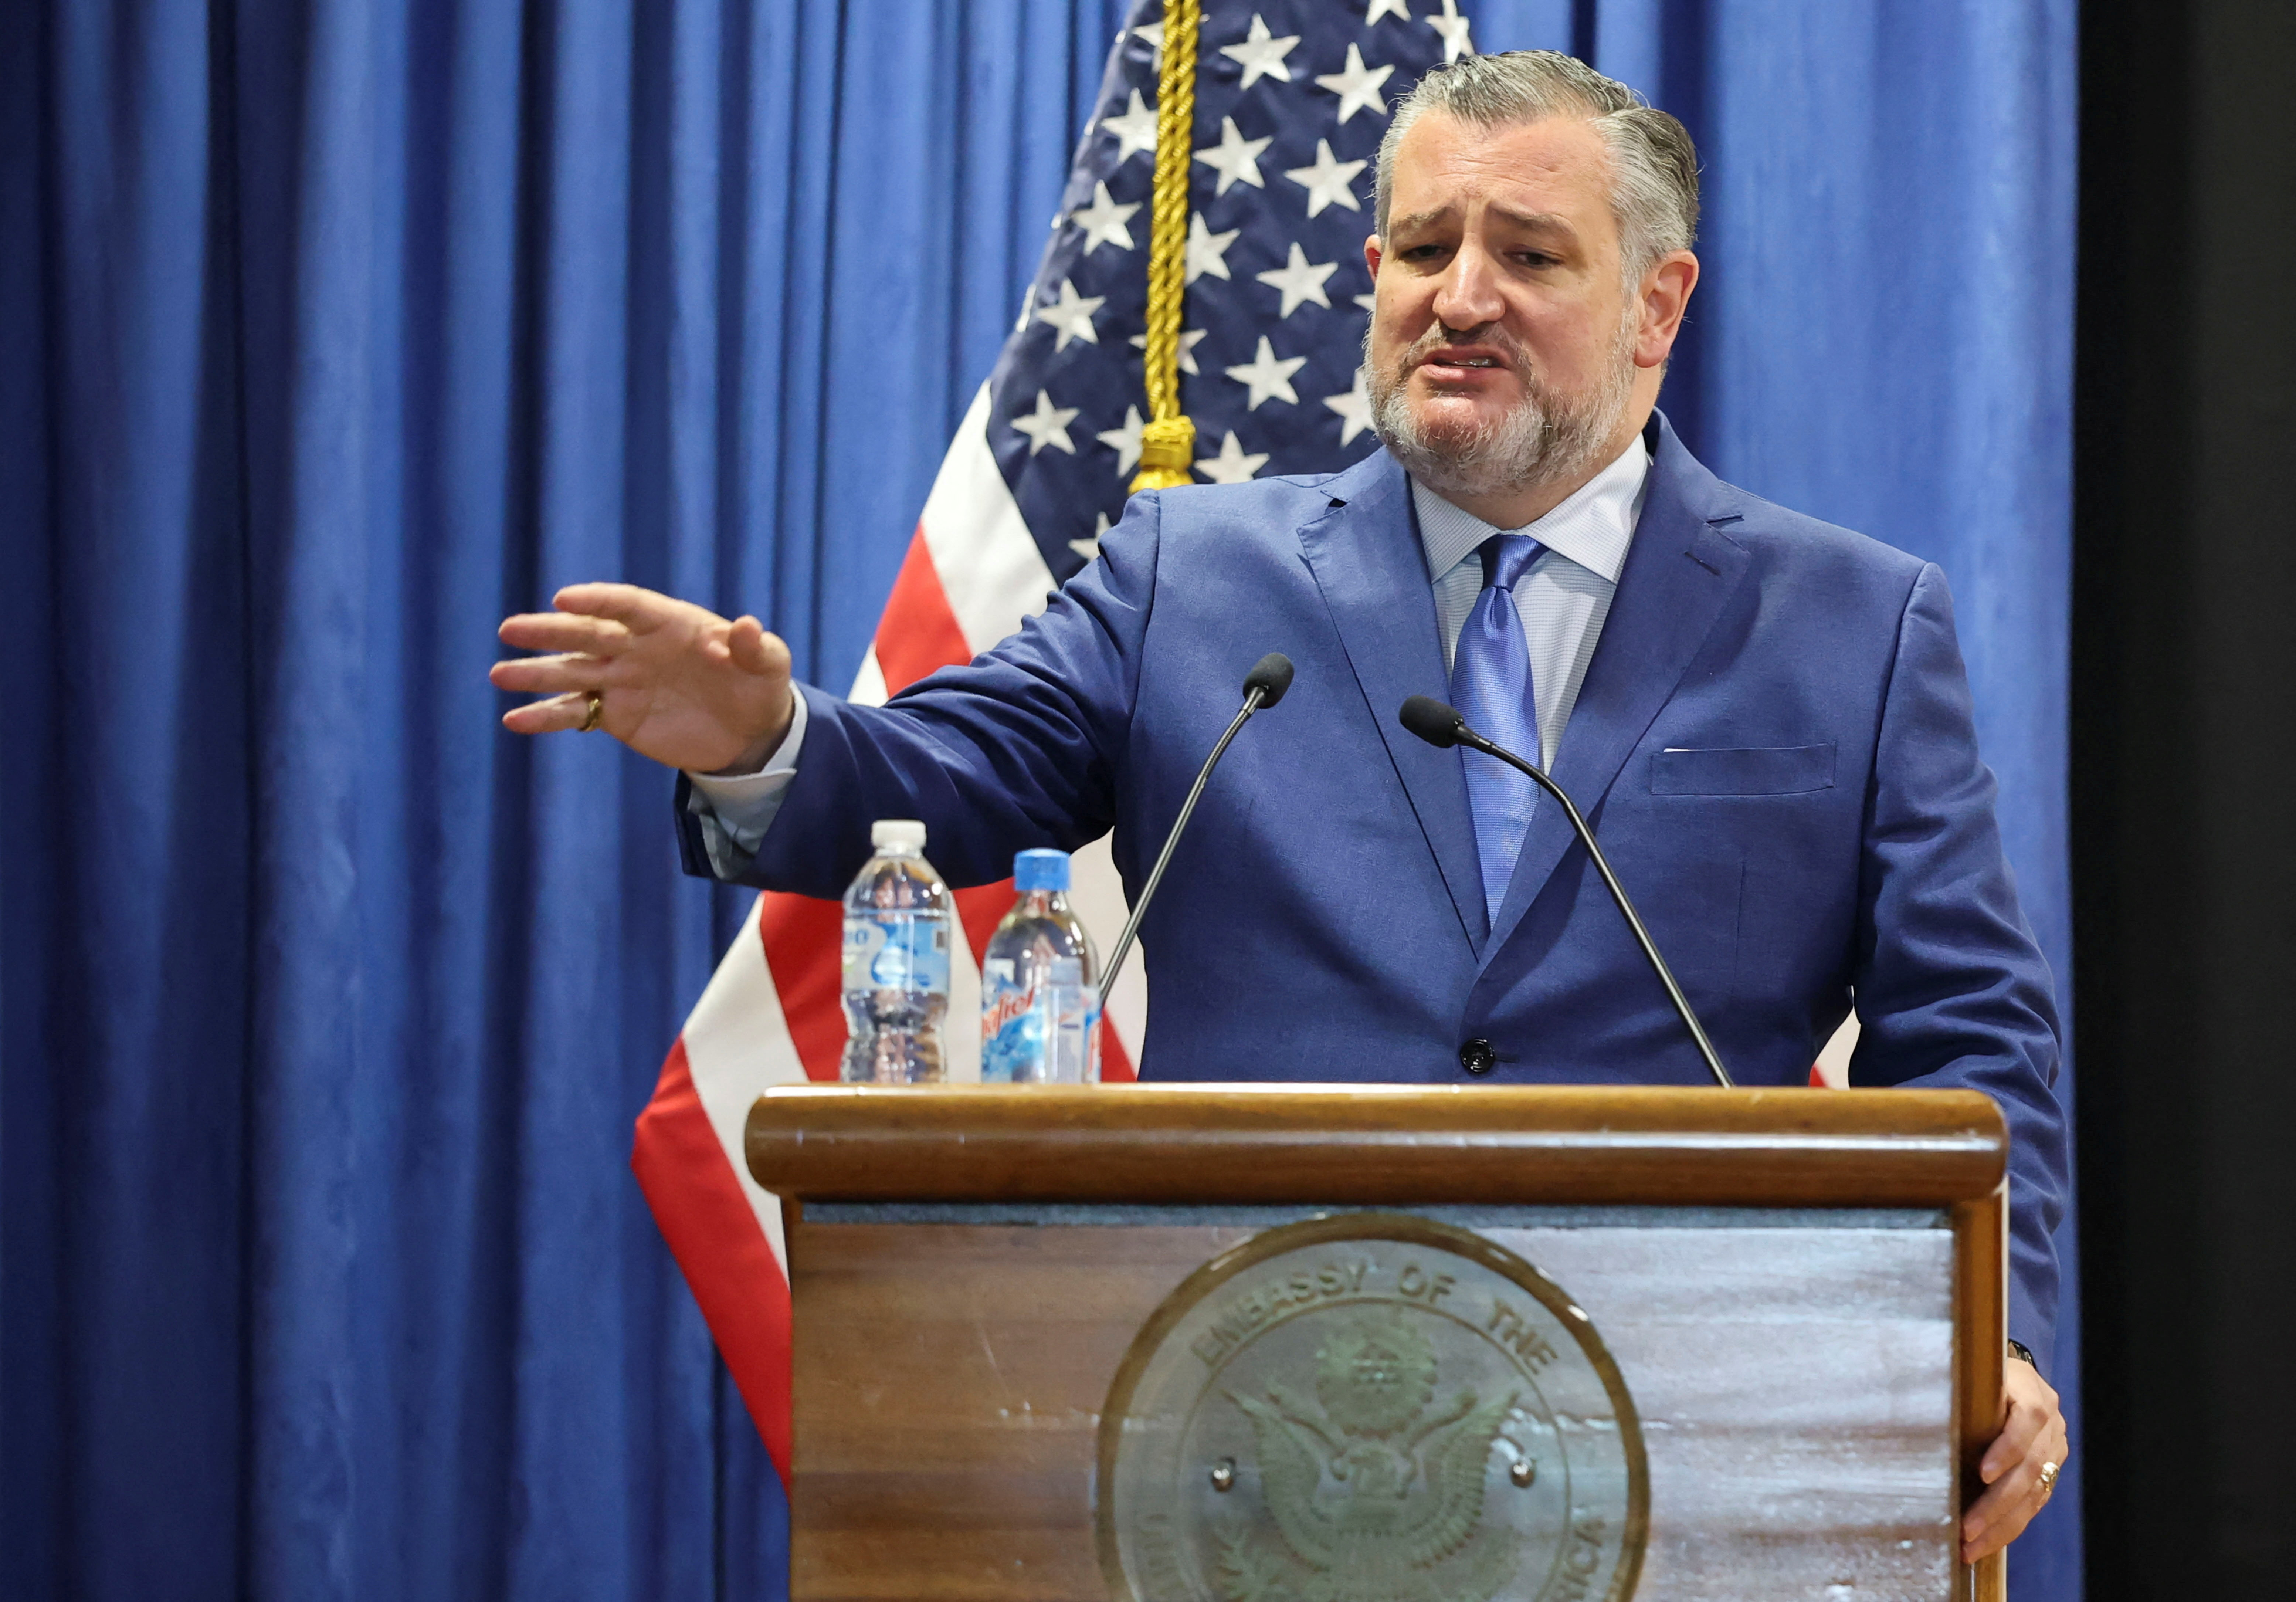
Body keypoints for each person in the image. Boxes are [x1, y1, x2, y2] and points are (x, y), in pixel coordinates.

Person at [491, 52, 2068, 1559]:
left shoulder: (1849, 626)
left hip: (1694, 1426)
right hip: (1239, 1424)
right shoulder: (1192, 575)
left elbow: (1971, 1028)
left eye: (1526, 252)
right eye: (1423, 246)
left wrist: (1990, 1339)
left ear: (1657, 305)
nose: (1459, 297)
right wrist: (765, 731)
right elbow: (937, 781)